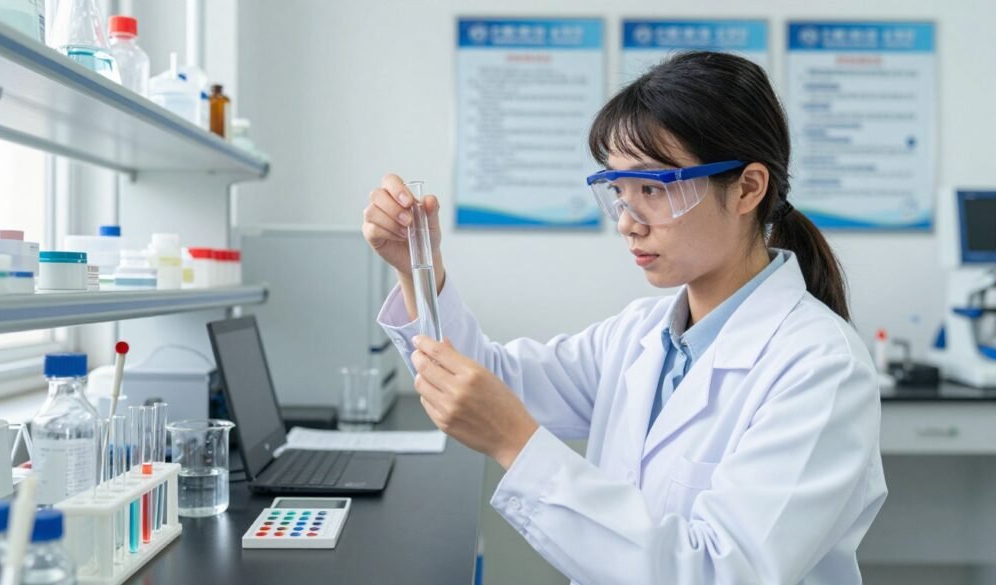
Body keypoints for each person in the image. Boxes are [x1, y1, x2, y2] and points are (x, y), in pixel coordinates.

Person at [362, 51, 887, 585]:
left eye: (653, 189)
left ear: (748, 188)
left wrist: (514, 444)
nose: (628, 223)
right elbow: (487, 380)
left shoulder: (822, 367)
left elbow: (722, 572)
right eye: (618, 192)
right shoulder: (640, 333)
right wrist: (416, 270)